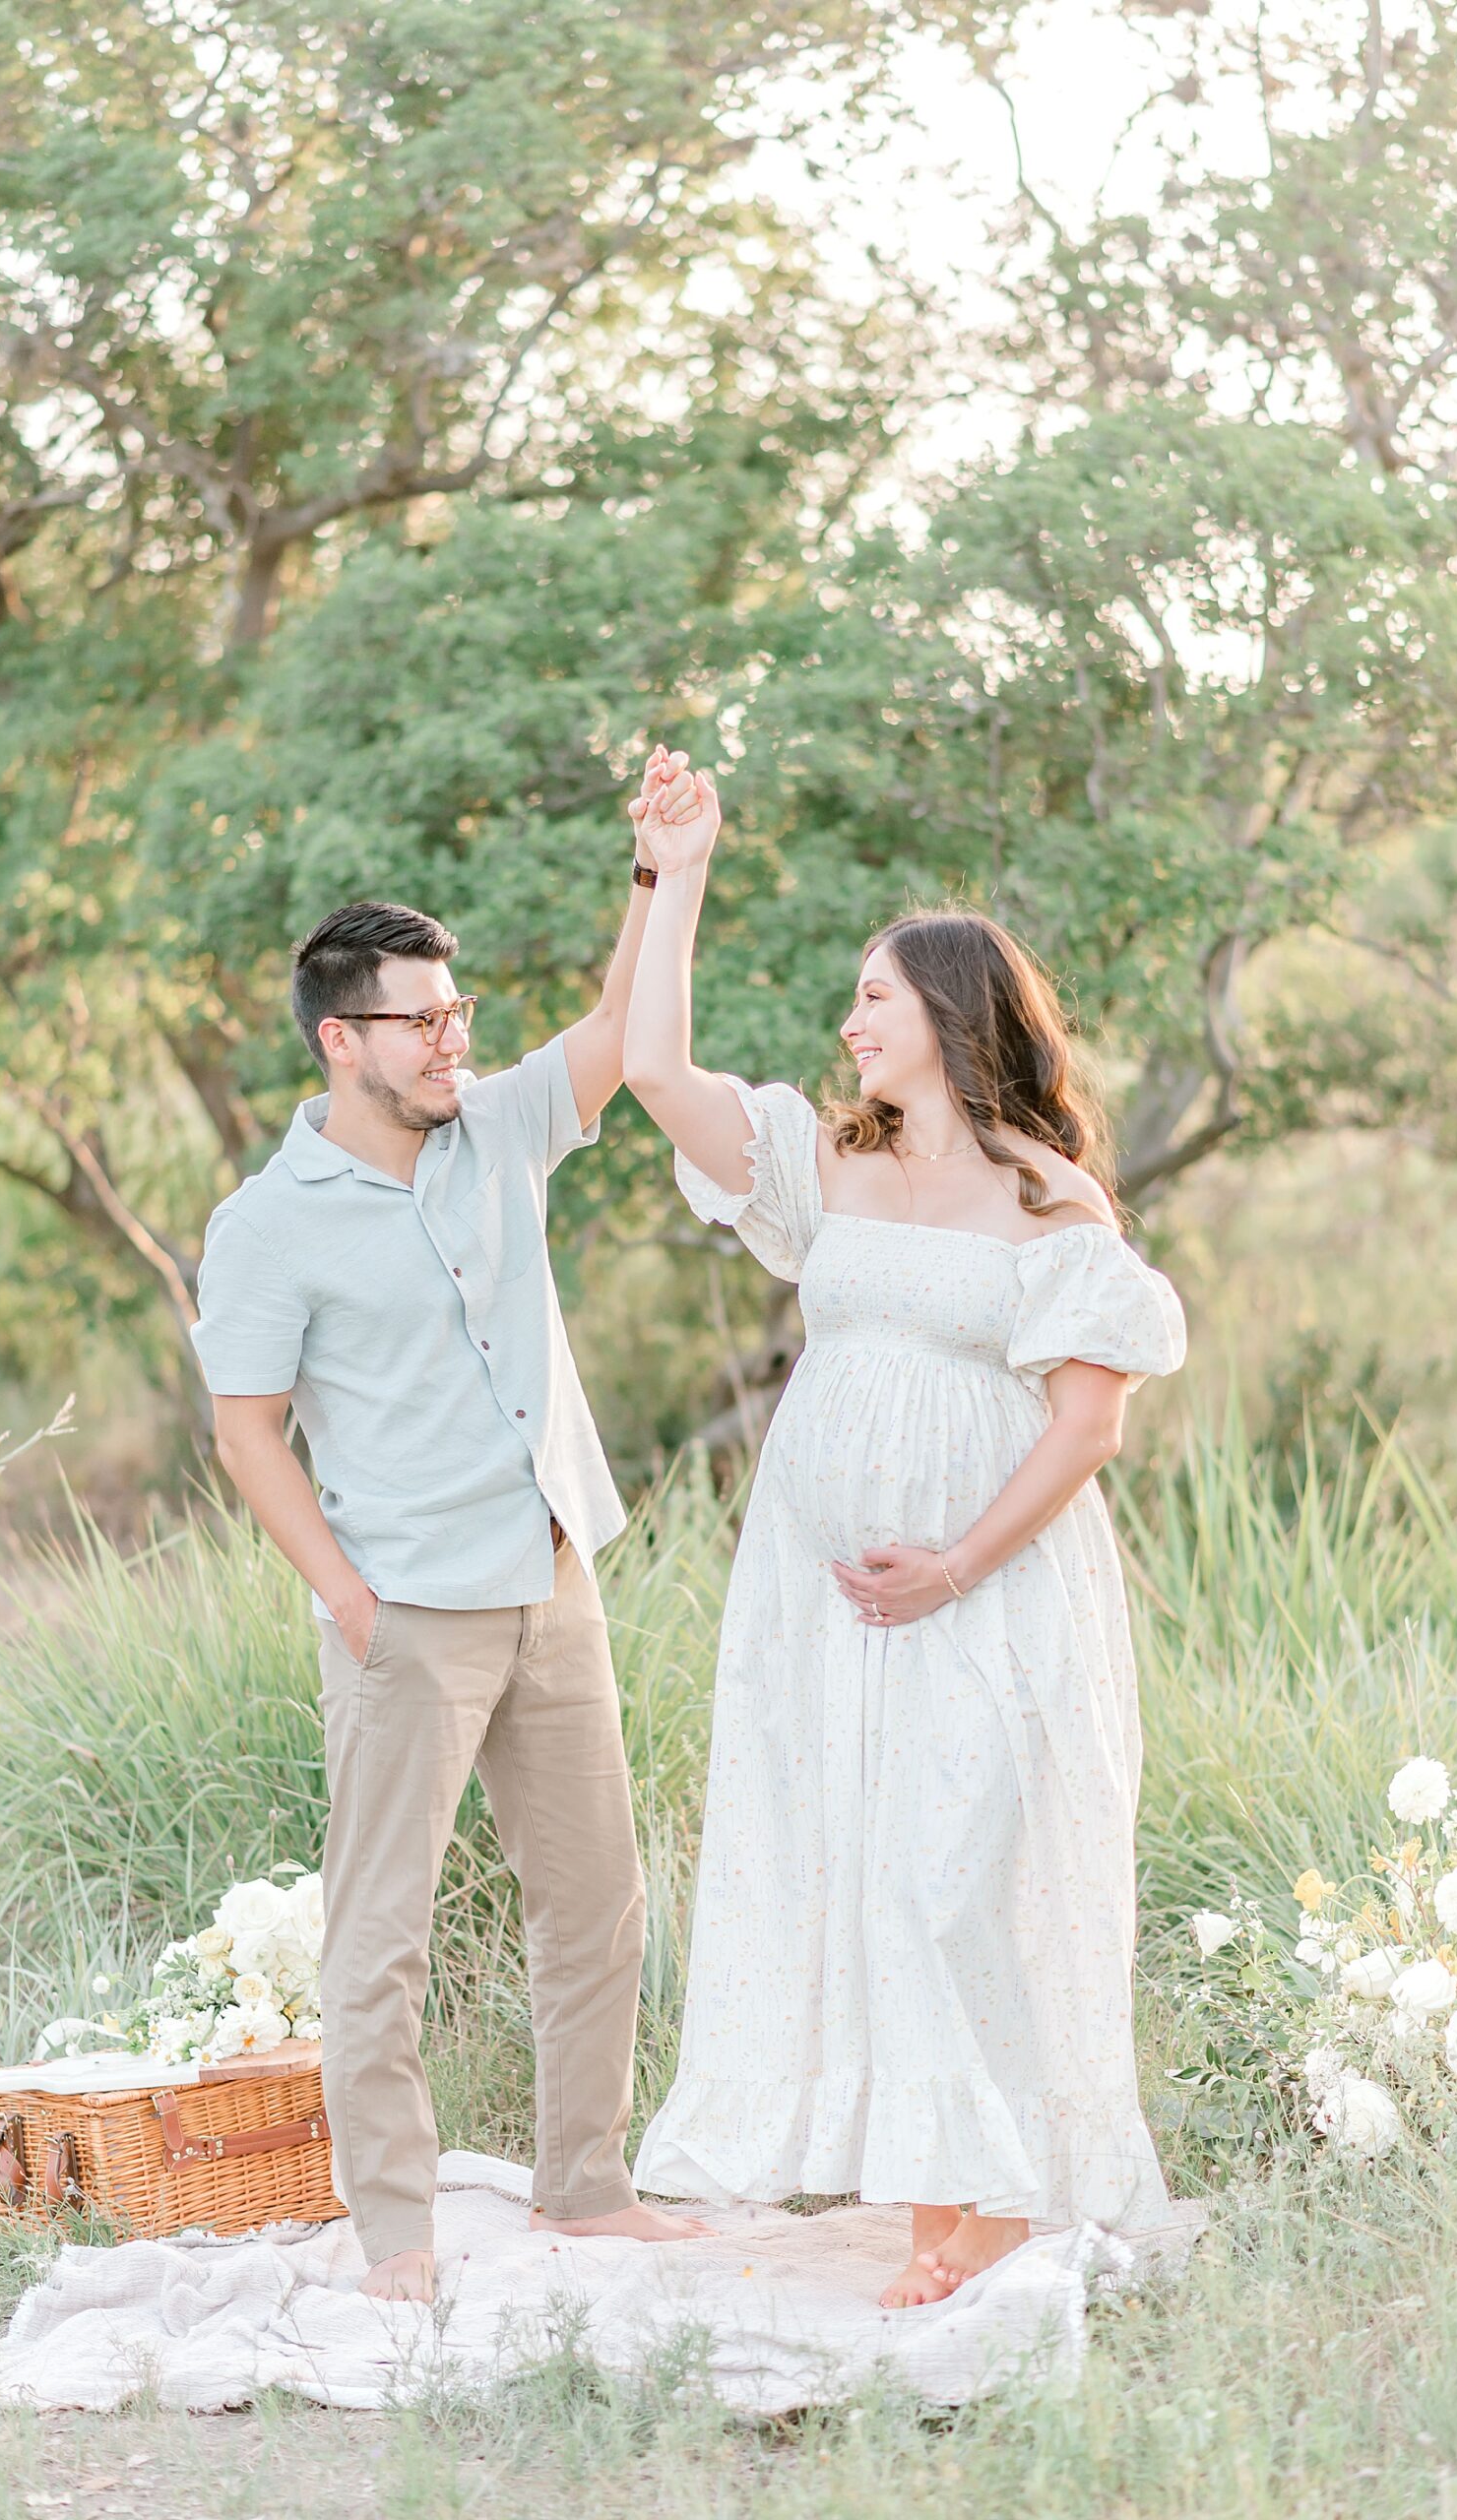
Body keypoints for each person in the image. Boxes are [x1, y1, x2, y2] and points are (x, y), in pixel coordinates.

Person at [622, 763, 1187, 2307]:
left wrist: (952, 1561)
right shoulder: (826, 1160)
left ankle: (995, 2199)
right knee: (867, 1868)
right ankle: (941, 2194)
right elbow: (653, 1064)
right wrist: (674, 875)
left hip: (987, 1593)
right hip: (819, 1603)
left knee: (956, 1875)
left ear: (950, 1011)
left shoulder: (1046, 1200)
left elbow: (1089, 1424)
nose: (853, 1019)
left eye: (877, 995)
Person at [189, 748, 710, 2301]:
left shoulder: (498, 1130)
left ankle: (586, 2183)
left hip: (550, 1581)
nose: (453, 1038)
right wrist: (348, 1603)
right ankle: (398, 2233)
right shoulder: (266, 1222)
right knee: (383, 1939)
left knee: (597, 1901)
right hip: (403, 1612)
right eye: (423, 1019)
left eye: (459, 1011)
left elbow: (621, 1036)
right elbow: (245, 1433)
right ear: (342, 1039)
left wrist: (658, 873)